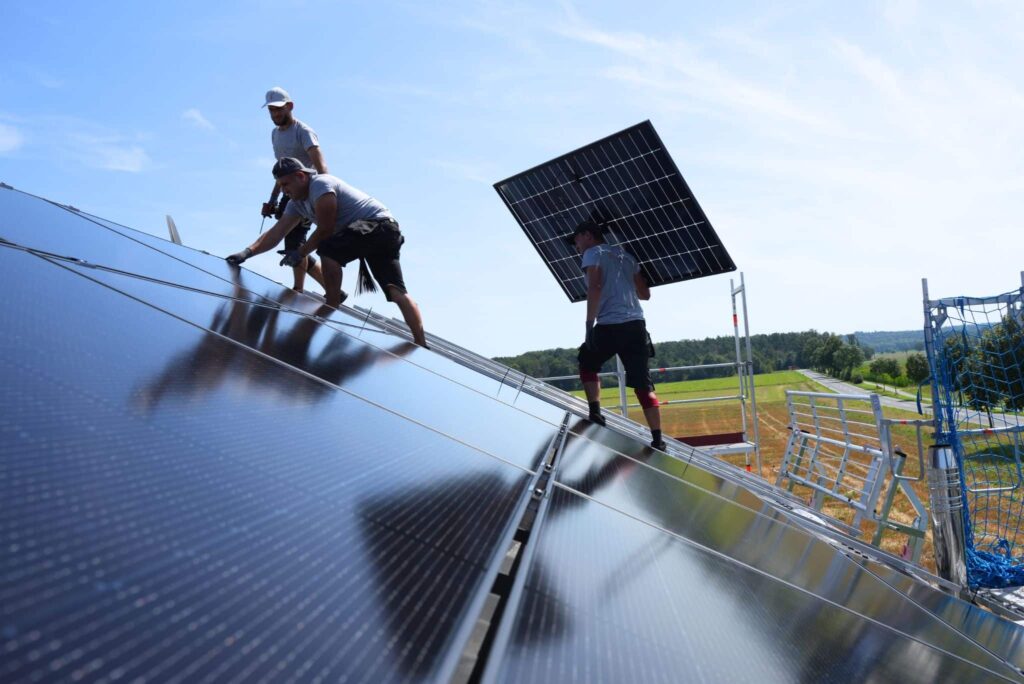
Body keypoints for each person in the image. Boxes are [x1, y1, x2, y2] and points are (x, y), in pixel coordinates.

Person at [227, 158, 428, 348]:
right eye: (280, 186)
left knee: (327, 248)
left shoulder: (320, 186)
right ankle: (421, 343)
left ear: (301, 176)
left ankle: (331, 306)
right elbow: (277, 232)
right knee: (396, 290)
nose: (284, 190)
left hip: (378, 226)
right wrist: (247, 253)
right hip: (383, 233)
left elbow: (325, 229)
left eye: (286, 184)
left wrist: (300, 253)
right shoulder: (296, 203)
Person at [571, 220, 665, 450]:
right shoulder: (626, 256)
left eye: (577, 241)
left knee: (587, 362)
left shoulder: (593, 253)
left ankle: (595, 412)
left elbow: (594, 287)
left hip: (610, 324)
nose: (576, 247)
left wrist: (589, 324)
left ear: (587, 235)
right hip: (636, 326)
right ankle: (658, 439)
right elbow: (645, 295)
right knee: (643, 384)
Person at [261, 87, 328, 293]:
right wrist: (272, 199)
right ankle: (331, 288)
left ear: (290, 106)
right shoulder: (275, 135)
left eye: (279, 109)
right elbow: (282, 171)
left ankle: (298, 289)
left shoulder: (304, 132)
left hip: (308, 194)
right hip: (288, 194)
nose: (275, 114)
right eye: (271, 110)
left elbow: (322, 168)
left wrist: (320, 197)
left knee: (295, 243)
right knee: (294, 245)